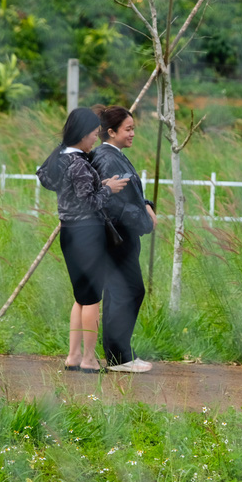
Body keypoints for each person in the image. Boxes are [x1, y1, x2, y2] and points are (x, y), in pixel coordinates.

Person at [37, 108, 128, 373]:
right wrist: (108, 189)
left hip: (69, 232)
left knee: (80, 296)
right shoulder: (78, 163)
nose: (94, 140)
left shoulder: (59, 158)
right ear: (82, 135)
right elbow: (90, 203)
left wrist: (99, 184)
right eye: (92, 135)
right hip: (88, 232)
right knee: (92, 299)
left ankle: (73, 356)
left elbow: (58, 184)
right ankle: (89, 358)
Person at [91, 105, 157, 373]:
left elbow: (130, 193)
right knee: (126, 291)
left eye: (133, 129)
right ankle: (119, 357)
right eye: (128, 129)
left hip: (122, 236)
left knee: (124, 291)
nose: (133, 134)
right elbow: (111, 204)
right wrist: (143, 217)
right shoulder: (107, 159)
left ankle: (120, 354)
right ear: (111, 132)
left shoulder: (114, 155)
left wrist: (147, 205)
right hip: (115, 237)